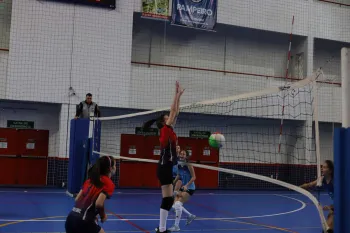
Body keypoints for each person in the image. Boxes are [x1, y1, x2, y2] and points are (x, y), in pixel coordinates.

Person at [143, 81, 184, 233]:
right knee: (168, 199)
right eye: (168, 117)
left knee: (168, 199)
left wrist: (179, 96)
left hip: (165, 167)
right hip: (164, 167)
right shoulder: (165, 130)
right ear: (164, 121)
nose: (171, 117)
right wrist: (176, 94)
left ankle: (161, 229)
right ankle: (161, 229)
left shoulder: (169, 130)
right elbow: (173, 111)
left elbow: (176, 111)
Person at [65, 156, 116, 233]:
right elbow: (99, 203)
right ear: (110, 168)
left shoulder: (90, 180)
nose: (116, 167)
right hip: (83, 221)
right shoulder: (108, 183)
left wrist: (92, 214)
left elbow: (77, 199)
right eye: (115, 165)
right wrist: (103, 216)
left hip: (70, 219)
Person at [300, 160, 334, 233]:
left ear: (330, 171)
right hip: (336, 206)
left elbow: (343, 199)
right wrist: (298, 187)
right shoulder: (322, 179)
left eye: (324, 167)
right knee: (327, 227)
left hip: (343, 206)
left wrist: (330, 207)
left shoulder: (335, 182)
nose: (322, 169)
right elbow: (309, 184)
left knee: (328, 226)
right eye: (322, 167)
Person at [169, 150, 196, 231]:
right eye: (181, 153)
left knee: (177, 204)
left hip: (190, 188)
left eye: (183, 154)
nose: (182, 155)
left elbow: (194, 177)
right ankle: (190, 215)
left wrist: (187, 185)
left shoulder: (189, 164)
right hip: (183, 187)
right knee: (174, 205)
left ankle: (176, 226)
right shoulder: (179, 165)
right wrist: (172, 183)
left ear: (186, 156)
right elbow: (178, 175)